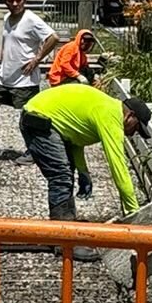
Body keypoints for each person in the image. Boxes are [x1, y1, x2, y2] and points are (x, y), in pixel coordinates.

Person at [19, 83, 150, 223]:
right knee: (61, 176)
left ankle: (66, 227)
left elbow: (74, 139)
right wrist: (134, 212)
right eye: (136, 127)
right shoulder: (110, 117)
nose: (133, 133)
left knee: (65, 173)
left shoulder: (108, 107)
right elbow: (119, 168)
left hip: (41, 116)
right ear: (130, 115)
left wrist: (83, 171)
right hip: (39, 119)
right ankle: (62, 237)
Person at [0, 0, 58, 158]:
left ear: (24, 0)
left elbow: (53, 38)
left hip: (25, 78)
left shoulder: (31, 19)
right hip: (5, 76)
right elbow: (7, 42)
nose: (15, 4)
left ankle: (34, 149)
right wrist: (2, 65)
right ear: (6, 1)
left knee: (28, 115)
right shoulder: (7, 18)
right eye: (11, 0)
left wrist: (37, 59)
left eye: (18, 0)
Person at [46, 29, 103, 199]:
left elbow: (86, 67)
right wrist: (78, 76)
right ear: (80, 40)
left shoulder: (81, 54)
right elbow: (64, 65)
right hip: (59, 80)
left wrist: (94, 80)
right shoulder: (71, 48)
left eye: (89, 43)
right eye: (84, 42)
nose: (86, 45)